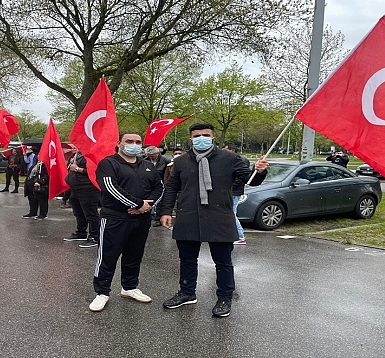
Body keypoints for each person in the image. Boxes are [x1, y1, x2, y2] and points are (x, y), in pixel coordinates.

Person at [159, 122, 269, 318]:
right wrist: (166, 211)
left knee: (223, 262)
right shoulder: (181, 162)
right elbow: (171, 187)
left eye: (206, 135)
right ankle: (186, 292)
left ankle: (225, 297)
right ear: (191, 138)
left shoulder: (231, 159)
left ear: (213, 137)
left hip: (219, 216)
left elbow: (250, 180)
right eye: (197, 135)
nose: (201, 138)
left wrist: (259, 171)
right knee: (187, 260)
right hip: (188, 216)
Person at [88, 132, 164, 312]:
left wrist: (146, 207)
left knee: (134, 255)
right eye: (129, 141)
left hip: (141, 218)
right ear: (119, 143)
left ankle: (129, 287)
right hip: (115, 218)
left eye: (138, 142)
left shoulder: (147, 165)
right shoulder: (109, 163)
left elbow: (159, 187)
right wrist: (137, 204)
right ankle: (102, 292)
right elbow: (110, 187)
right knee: (107, 255)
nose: (134, 144)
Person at [63, 151, 101, 248]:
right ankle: (81, 232)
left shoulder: (92, 154)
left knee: (90, 213)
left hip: (88, 188)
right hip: (76, 188)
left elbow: (95, 171)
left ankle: (95, 236)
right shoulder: (78, 154)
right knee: (78, 212)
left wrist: (77, 169)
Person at [222, 144, 251, 245]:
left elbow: (239, 179)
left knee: (232, 213)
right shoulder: (230, 160)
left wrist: (227, 186)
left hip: (235, 192)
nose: (223, 151)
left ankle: (240, 236)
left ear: (232, 150)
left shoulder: (240, 161)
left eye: (225, 150)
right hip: (231, 191)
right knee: (229, 213)